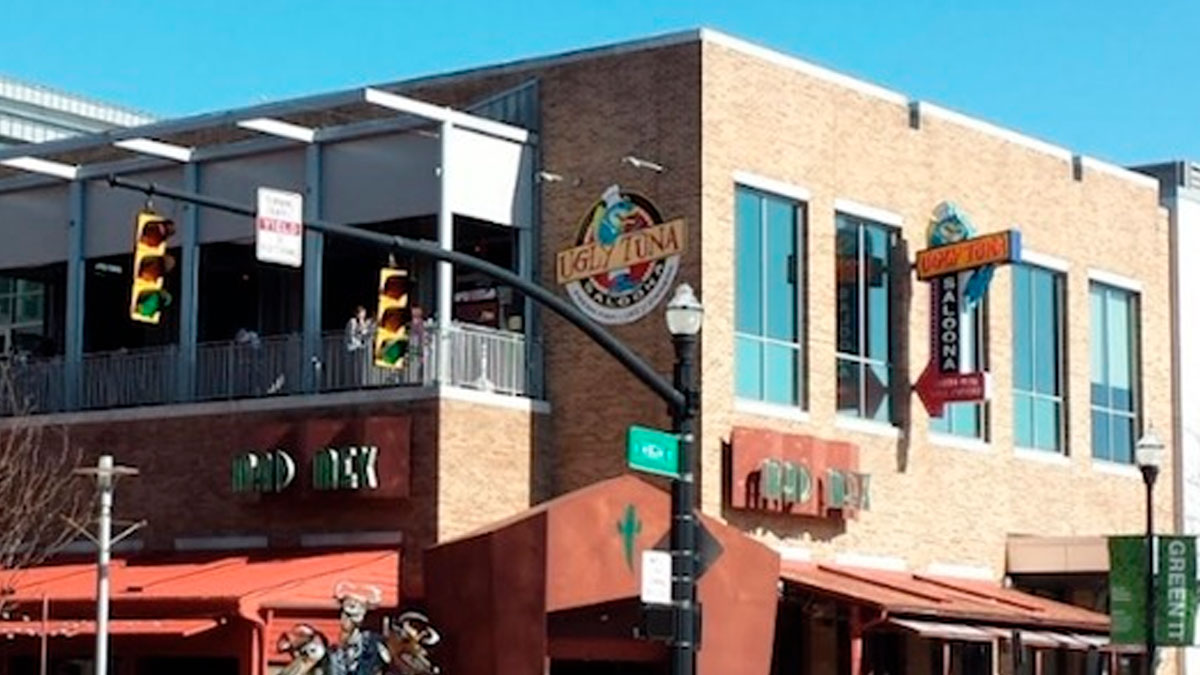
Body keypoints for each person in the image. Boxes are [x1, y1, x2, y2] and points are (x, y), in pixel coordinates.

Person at [345, 306, 375, 387]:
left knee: (362, 366)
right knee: (355, 367)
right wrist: (359, 342)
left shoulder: (365, 323)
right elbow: (351, 335)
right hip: (354, 348)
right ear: (357, 314)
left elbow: (367, 333)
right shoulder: (353, 321)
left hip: (362, 348)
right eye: (361, 313)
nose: (363, 315)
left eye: (364, 313)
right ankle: (354, 384)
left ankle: (363, 382)